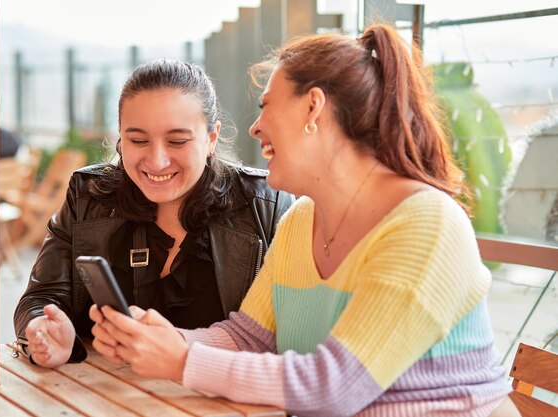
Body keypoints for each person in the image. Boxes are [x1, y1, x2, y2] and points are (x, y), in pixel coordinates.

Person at [89, 25, 518, 417]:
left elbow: (334, 388)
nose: (255, 128)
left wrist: (183, 362)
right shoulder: (301, 220)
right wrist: (167, 340)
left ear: (313, 107)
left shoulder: (426, 225)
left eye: (267, 105)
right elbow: (250, 337)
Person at [13, 59, 294, 368]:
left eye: (177, 141)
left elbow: (282, 338)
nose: (157, 161)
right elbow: (40, 298)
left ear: (211, 139)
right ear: (120, 136)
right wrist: (48, 331)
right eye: (138, 140)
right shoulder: (87, 196)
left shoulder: (265, 205)